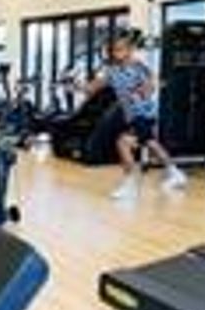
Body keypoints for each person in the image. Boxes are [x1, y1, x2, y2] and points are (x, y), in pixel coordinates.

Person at [78, 32, 187, 199]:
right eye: (114, 50)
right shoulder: (113, 71)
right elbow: (93, 87)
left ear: (129, 50)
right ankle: (175, 173)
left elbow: (152, 86)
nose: (116, 53)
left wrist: (141, 91)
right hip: (131, 115)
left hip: (142, 113)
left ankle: (131, 185)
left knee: (123, 143)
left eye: (120, 49)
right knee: (151, 144)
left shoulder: (138, 67)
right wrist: (78, 86)